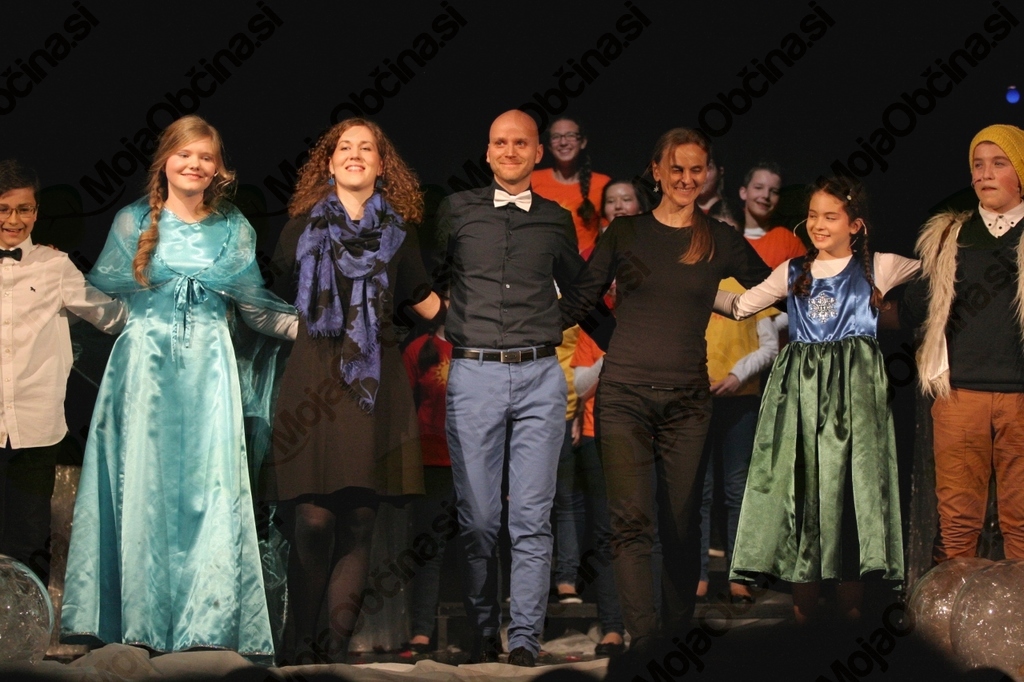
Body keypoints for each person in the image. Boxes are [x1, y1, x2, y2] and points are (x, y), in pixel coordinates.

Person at [61, 115, 298, 660]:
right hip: (142, 375)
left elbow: (257, 311)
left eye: (206, 156)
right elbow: (109, 308)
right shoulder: (132, 220)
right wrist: (56, 292)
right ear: (165, 160)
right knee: (140, 489)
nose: (195, 164)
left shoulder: (234, 228)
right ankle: (136, 623)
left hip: (209, 377)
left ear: (218, 169)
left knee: (210, 493)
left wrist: (323, 331)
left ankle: (206, 623)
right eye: (185, 153)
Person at [559, 128, 771, 648]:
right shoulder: (626, 232)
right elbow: (582, 299)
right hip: (624, 397)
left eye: (697, 169)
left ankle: (673, 638)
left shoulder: (719, 238)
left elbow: (775, 287)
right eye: (677, 168)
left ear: (708, 173)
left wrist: (834, 283)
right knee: (630, 523)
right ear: (656, 170)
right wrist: (613, 338)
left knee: (680, 524)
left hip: (687, 401)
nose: (686, 179)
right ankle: (644, 643)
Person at [265, 118, 442, 663]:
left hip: (374, 384)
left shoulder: (400, 233)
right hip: (313, 379)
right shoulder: (301, 228)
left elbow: (427, 303)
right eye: (345, 147)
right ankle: (299, 646)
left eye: (367, 148)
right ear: (329, 162)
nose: (355, 154)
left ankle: (334, 655)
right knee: (313, 519)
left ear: (382, 165)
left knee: (360, 519)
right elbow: (269, 298)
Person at [721, 176, 918, 623]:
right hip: (802, 405)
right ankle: (804, 627)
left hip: (856, 406)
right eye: (812, 215)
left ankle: (851, 623)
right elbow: (741, 306)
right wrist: (688, 288)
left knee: (850, 498)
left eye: (831, 216)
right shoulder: (793, 271)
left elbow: (939, 269)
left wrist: (893, 313)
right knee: (804, 498)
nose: (818, 224)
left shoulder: (879, 266)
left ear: (856, 225)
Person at [436, 109, 585, 667]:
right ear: (488, 150)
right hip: (474, 373)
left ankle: (524, 638)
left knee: (531, 518)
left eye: (521, 143)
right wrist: (453, 323)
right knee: (478, 519)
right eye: (501, 142)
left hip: (540, 375)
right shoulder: (457, 210)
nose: (510, 151)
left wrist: (547, 321)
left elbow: (579, 290)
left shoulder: (555, 218)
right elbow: (428, 277)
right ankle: (481, 631)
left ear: (537, 153)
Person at [0, 160, 126, 587]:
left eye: (24, 209)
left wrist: (158, 300)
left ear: (36, 212)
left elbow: (110, 316)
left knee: (28, 539)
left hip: (35, 426)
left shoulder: (55, 266)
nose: (14, 219)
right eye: (4, 209)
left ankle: (28, 627)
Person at [903, 124, 1024, 562]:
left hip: (1021, 398)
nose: (985, 174)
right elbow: (916, 306)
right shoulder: (952, 236)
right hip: (960, 394)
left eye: (998, 163)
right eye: (978, 165)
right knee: (957, 524)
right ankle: (953, 608)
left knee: (1022, 522)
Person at [697, 280, 779, 604]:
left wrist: (737, 375)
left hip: (740, 399)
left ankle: (739, 576)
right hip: (696, 398)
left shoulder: (751, 287)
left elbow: (769, 346)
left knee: (737, 488)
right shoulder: (695, 281)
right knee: (699, 490)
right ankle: (697, 575)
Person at [400, 323, 456, 655]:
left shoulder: (482, 344)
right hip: (432, 459)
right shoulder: (420, 348)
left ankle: (486, 628)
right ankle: (422, 629)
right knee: (429, 549)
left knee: (482, 541)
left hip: (476, 459)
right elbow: (402, 404)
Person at [530, 116, 611, 254]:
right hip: (543, 260)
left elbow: (609, 233)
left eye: (570, 135)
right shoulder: (532, 180)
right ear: (549, 146)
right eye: (556, 137)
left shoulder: (602, 183)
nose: (563, 142)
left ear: (583, 142)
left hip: (585, 262)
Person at [739, 162, 805, 268]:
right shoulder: (725, 233)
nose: (766, 195)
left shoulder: (787, 241)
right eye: (758, 187)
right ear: (743, 192)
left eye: (774, 192)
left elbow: (804, 276)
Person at [698, 152, 737, 226]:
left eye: (708, 168)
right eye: (696, 168)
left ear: (720, 171)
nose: (701, 175)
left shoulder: (734, 212)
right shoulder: (680, 211)